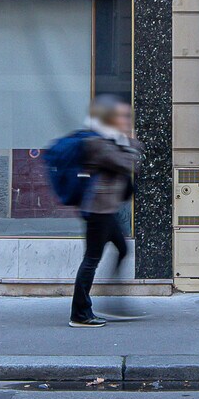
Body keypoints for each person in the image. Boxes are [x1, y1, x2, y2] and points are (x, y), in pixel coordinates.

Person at [69, 94, 142, 328]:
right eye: (121, 116)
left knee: (122, 249)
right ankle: (80, 314)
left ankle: (113, 303)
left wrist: (126, 143)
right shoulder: (97, 142)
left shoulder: (111, 140)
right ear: (109, 119)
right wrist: (129, 144)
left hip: (107, 210)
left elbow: (131, 157)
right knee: (91, 260)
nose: (126, 120)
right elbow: (127, 163)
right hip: (97, 211)